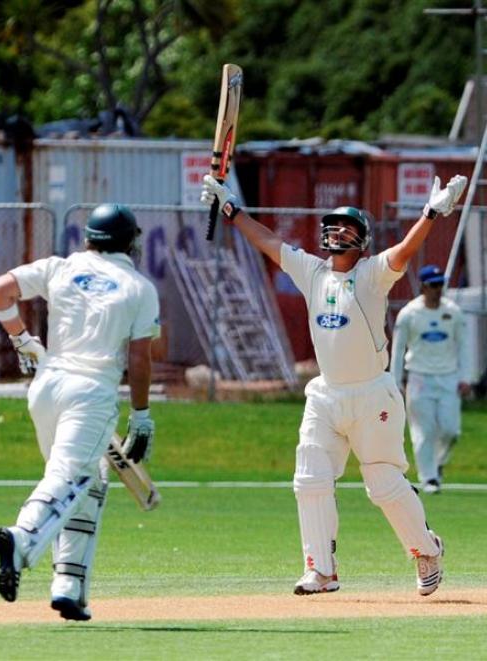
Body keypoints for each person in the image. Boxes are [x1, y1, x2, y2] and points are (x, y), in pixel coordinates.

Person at [200, 173, 467, 597]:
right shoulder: (312, 271)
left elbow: (405, 251)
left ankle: (426, 549)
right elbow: (269, 242)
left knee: (383, 487)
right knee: (309, 477)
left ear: (362, 241)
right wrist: (232, 210)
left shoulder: (372, 273)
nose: (337, 230)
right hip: (326, 394)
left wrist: (431, 213)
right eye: (333, 225)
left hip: (372, 395)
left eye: (348, 227)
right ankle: (321, 570)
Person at [0, 204, 160, 621]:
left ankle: (69, 586)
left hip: (46, 388)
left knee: (89, 481)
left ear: (87, 238)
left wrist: (22, 338)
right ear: (131, 242)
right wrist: (141, 415)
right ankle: (23, 538)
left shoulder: (60, 267)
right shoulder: (138, 287)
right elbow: (140, 360)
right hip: (91, 393)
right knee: (72, 477)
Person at [390, 264, 470, 495]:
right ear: (424, 287)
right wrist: (395, 382)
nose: (438, 289)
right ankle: (430, 478)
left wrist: (465, 377)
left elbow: (463, 345)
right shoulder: (409, 313)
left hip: (448, 377)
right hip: (418, 377)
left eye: (440, 284)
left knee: (450, 430)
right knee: (423, 431)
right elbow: (398, 349)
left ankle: (437, 463)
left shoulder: (453, 312)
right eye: (433, 285)